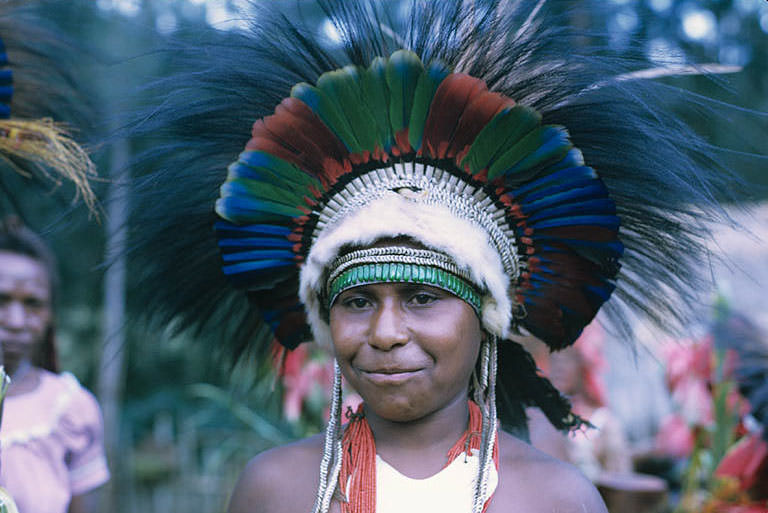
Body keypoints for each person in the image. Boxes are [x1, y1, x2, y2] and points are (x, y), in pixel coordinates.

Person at [125, 1, 748, 512]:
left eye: (423, 296)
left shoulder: (555, 499)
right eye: (357, 300)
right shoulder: (276, 492)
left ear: (486, 316)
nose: (387, 332)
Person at [0, 218, 109, 513]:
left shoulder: (72, 409)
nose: (15, 321)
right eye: (1, 299)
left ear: (49, 314)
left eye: (32, 303)